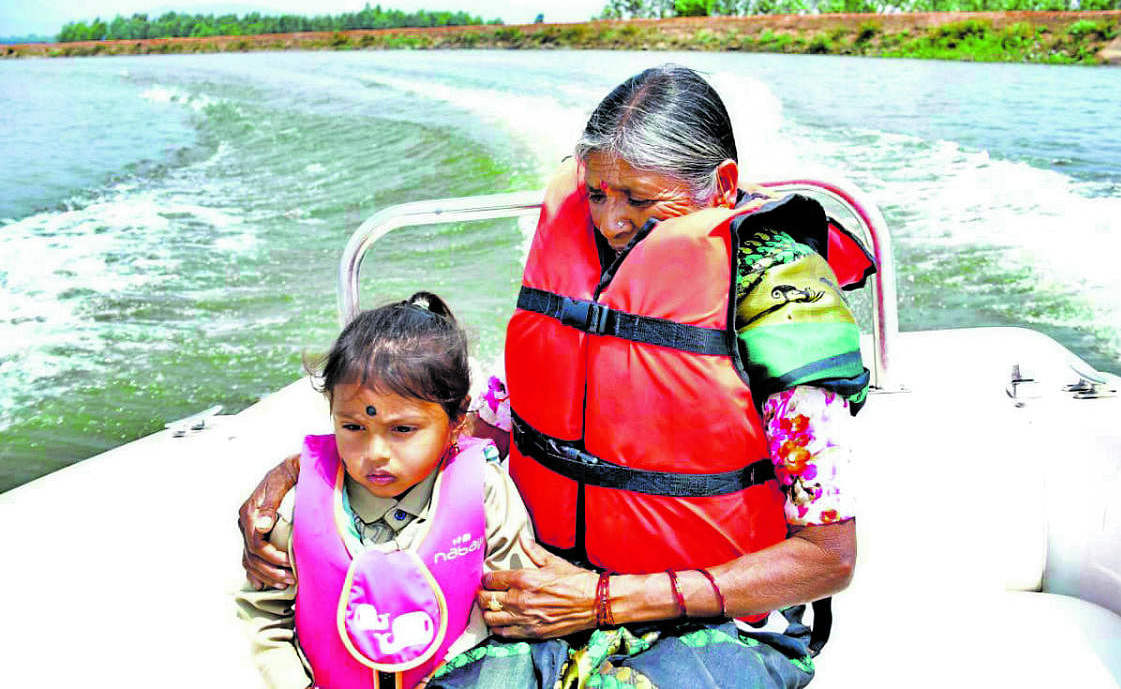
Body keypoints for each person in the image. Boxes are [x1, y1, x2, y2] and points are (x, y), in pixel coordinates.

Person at [240, 65, 871, 689]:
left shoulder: (782, 300)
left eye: (640, 200)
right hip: (540, 582)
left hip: (719, 620)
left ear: (722, 185)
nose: (610, 221)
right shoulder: (575, 279)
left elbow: (827, 556)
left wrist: (604, 600)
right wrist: (309, 477)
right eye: (596, 193)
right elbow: (472, 432)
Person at [235, 292, 535, 689]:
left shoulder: (485, 491)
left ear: (458, 419)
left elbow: (514, 600)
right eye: (353, 427)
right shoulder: (296, 502)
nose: (375, 454)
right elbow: (266, 615)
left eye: (402, 430)